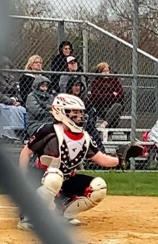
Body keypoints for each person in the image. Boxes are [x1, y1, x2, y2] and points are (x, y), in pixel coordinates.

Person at [17, 93, 121, 231]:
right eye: (74, 112)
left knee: (98, 187)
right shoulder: (49, 131)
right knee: (54, 177)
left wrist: (120, 159)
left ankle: (62, 213)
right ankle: (29, 216)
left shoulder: (84, 137)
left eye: (80, 112)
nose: (79, 116)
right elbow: (26, 152)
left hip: (66, 180)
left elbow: (101, 159)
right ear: (60, 112)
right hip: (41, 178)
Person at [66, 75, 105, 152]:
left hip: (85, 125)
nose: (78, 88)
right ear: (71, 86)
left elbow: (91, 111)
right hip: (70, 125)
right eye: (75, 86)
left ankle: (102, 154)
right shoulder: (67, 99)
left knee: (94, 133)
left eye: (79, 86)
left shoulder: (84, 99)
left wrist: (88, 121)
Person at [89, 62, 124, 133]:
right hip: (101, 107)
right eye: (103, 71)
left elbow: (121, 94)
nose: (106, 73)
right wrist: (112, 95)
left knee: (117, 106)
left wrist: (105, 95)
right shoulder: (96, 82)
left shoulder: (115, 80)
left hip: (113, 106)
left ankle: (104, 125)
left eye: (107, 71)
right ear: (99, 72)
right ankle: (108, 135)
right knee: (115, 117)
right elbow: (97, 96)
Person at [0, 56, 26, 139]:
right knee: (3, 108)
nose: (7, 68)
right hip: (3, 101)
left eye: (8, 66)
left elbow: (17, 92)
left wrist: (18, 101)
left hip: (12, 100)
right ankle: (5, 134)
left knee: (21, 109)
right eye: (4, 66)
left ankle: (19, 134)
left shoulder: (11, 78)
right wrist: (10, 101)